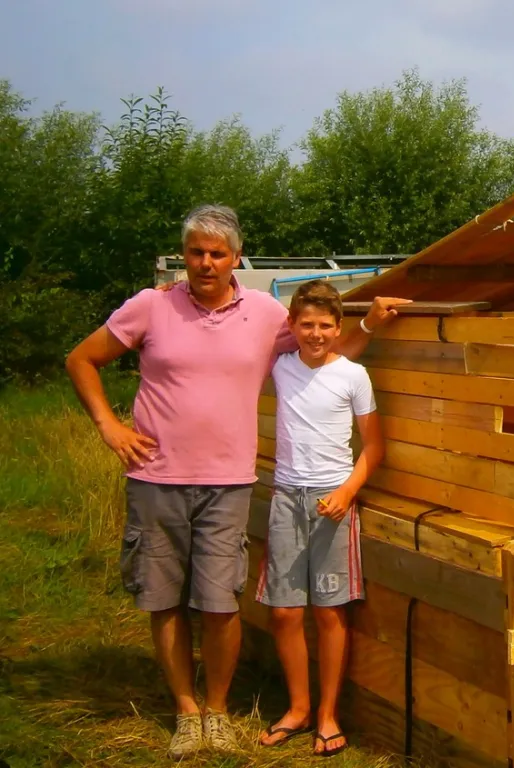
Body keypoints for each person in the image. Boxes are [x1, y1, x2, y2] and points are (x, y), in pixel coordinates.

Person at [64, 204, 408, 760]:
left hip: (228, 483)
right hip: (157, 477)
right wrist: (109, 425)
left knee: (221, 603)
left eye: (217, 254)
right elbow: (81, 359)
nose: (205, 262)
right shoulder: (151, 307)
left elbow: (323, 351)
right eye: (196, 252)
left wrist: (368, 324)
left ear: (235, 260)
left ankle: (218, 711)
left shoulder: (267, 315)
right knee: (164, 600)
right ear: (185, 256)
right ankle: (185, 710)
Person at [256, 279, 383, 756]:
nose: (315, 333)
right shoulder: (281, 367)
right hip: (287, 498)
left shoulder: (353, 375)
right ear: (291, 326)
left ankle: (328, 714)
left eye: (325, 325)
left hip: (334, 503)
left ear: (338, 328)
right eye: (305, 324)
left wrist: (348, 492)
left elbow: (374, 446)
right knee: (285, 612)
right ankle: (298, 707)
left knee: (330, 612)